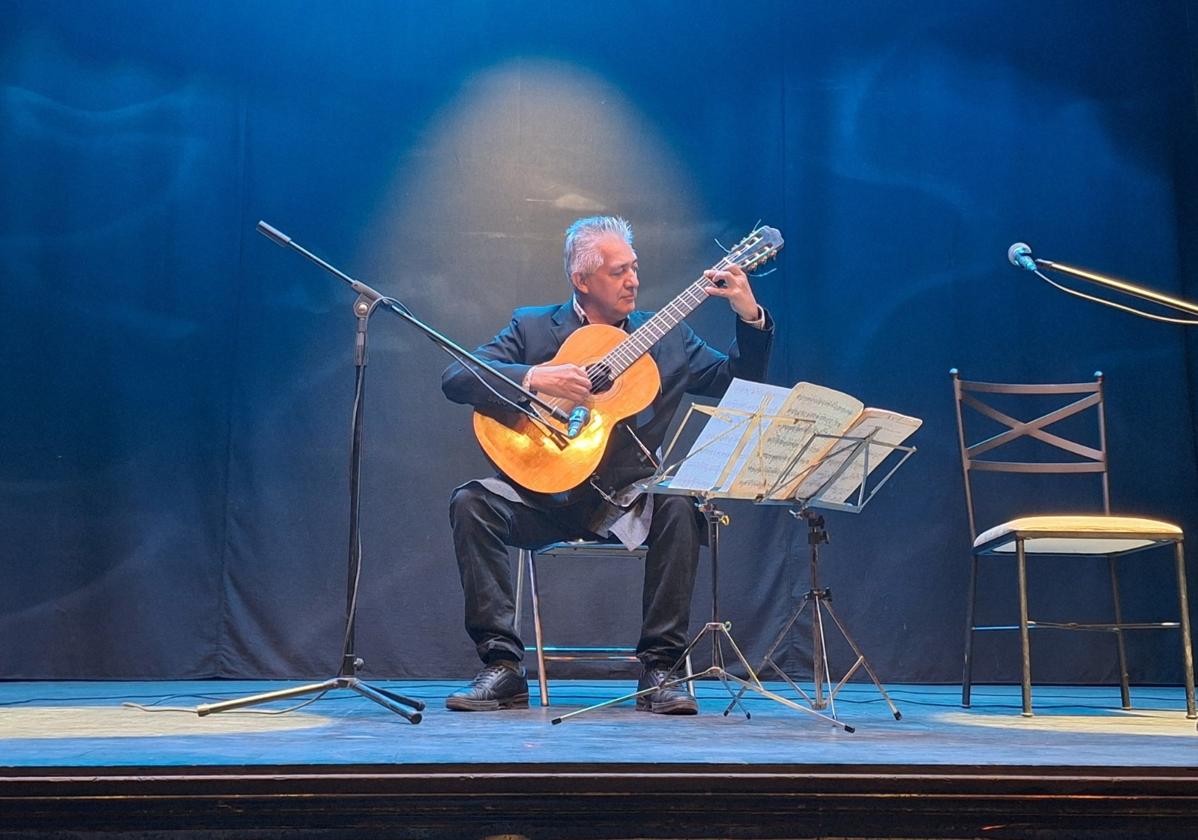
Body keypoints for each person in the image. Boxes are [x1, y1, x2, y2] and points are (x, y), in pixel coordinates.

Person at [441, 215, 773, 713]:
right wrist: (536, 377)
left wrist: (749, 315)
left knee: (681, 507)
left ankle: (660, 670)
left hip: (626, 501)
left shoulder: (668, 338)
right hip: (542, 496)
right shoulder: (533, 327)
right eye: (619, 272)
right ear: (582, 280)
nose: (633, 280)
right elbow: (457, 377)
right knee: (471, 502)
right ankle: (503, 667)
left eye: (634, 268)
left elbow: (738, 383)